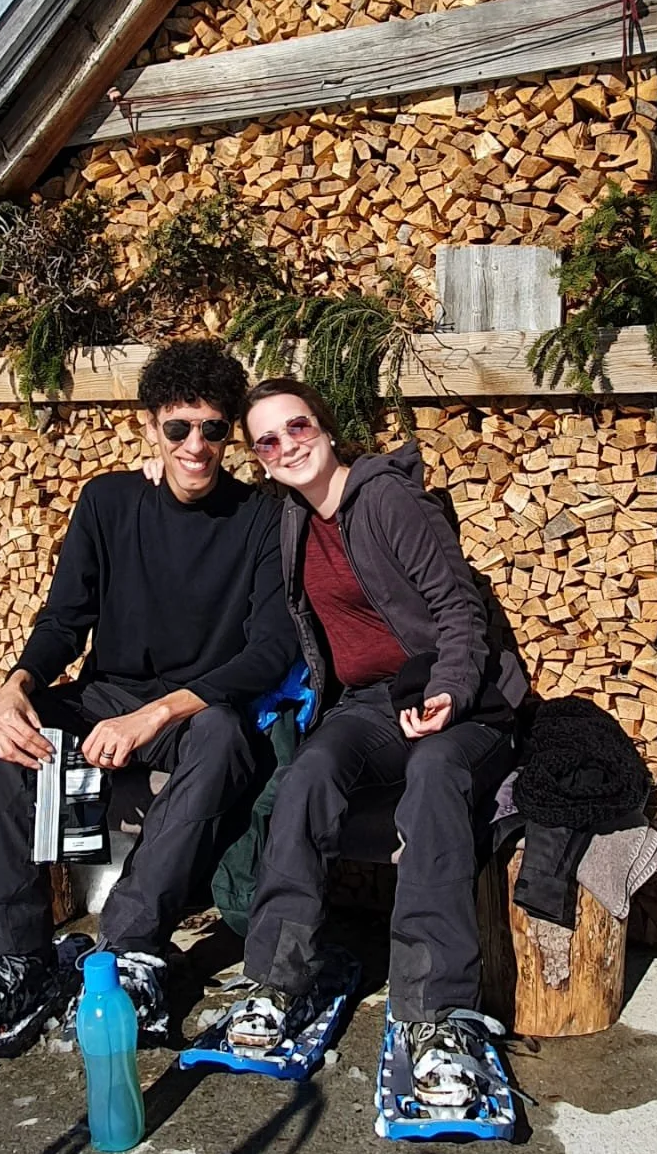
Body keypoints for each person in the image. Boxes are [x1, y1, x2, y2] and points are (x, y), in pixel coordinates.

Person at [0, 339, 298, 1043]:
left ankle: (130, 944)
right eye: (178, 427)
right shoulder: (107, 501)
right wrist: (15, 687)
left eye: (213, 429)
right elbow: (65, 619)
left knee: (227, 736)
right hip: (108, 695)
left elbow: (270, 651)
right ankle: (15, 955)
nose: (195, 445)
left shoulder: (262, 517)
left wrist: (158, 714)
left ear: (230, 436)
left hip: (195, 707)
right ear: (150, 428)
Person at [221, 378, 531, 1116]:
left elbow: (459, 606)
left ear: (326, 430)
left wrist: (452, 691)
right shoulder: (290, 515)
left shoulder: (387, 499)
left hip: (465, 703)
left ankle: (435, 1012)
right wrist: (150, 466)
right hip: (369, 707)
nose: (288, 445)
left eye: (298, 427)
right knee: (309, 773)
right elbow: (200, 499)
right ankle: (276, 977)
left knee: (432, 780)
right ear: (259, 460)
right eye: (268, 440)